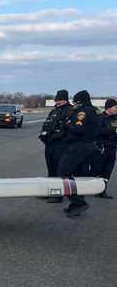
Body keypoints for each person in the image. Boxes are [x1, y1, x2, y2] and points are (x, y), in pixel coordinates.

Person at [58, 90, 100, 218]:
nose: (74, 104)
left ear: (80, 101)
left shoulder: (83, 111)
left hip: (78, 147)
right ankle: (76, 206)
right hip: (89, 146)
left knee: (63, 173)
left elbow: (78, 128)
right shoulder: (95, 110)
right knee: (79, 176)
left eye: (75, 101)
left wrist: (67, 125)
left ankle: (78, 202)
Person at [39, 89, 73, 203]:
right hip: (50, 144)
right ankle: (50, 192)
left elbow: (65, 129)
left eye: (59, 100)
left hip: (61, 145)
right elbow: (47, 124)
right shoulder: (55, 110)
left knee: (59, 171)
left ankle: (58, 195)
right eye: (56, 100)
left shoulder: (70, 111)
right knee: (51, 170)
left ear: (65, 100)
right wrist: (44, 137)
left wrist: (54, 138)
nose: (57, 102)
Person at [93, 98, 117, 198]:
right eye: (115, 107)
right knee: (97, 170)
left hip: (112, 147)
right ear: (109, 108)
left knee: (108, 170)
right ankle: (91, 188)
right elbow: (97, 132)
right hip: (102, 148)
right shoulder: (100, 117)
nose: (116, 109)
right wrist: (113, 130)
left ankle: (102, 191)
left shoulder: (115, 118)